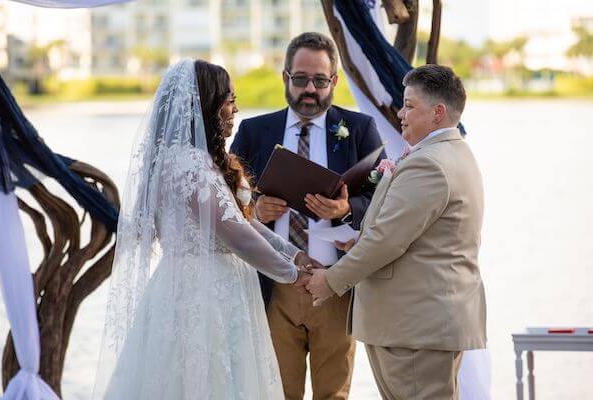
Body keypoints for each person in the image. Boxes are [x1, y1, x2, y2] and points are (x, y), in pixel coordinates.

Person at [92, 59, 316, 400]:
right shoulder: (187, 165)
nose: (235, 108)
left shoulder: (191, 160)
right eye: (229, 100)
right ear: (207, 104)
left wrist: (294, 253)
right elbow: (235, 235)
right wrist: (290, 273)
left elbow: (244, 222)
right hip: (201, 293)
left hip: (210, 285)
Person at [307, 64, 487, 399]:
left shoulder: (429, 163)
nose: (400, 113)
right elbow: (406, 233)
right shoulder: (453, 153)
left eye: (409, 105)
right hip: (419, 325)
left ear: (437, 113)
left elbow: (387, 241)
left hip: (416, 329)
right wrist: (358, 239)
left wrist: (331, 280)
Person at [230, 32, 385, 400]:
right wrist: (255, 208)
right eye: (301, 79)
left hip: (336, 286)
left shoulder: (360, 129)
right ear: (285, 78)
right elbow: (226, 200)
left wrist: (347, 209)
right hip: (273, 287)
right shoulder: (254, 131)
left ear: (334, 81)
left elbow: (384, 200)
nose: (310, 89)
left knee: (334, 395)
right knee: (276, 393)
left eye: (320, 80)